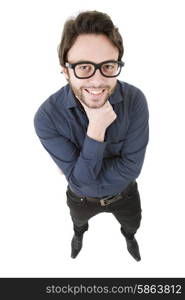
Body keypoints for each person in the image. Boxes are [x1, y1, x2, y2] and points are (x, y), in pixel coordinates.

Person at [34, 10, 149, 261]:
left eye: (108, 66)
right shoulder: (47, 117)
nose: (98, 81)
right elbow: (81, 185)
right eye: (84, 67)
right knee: (78, 222)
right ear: (66, 70)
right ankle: (79, 234)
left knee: (133, 224)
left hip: (126, 195)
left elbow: (131, 168)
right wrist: (96, 128)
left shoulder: (135, 100)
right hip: (80, 200)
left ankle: (129, 237)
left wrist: (79, 172)